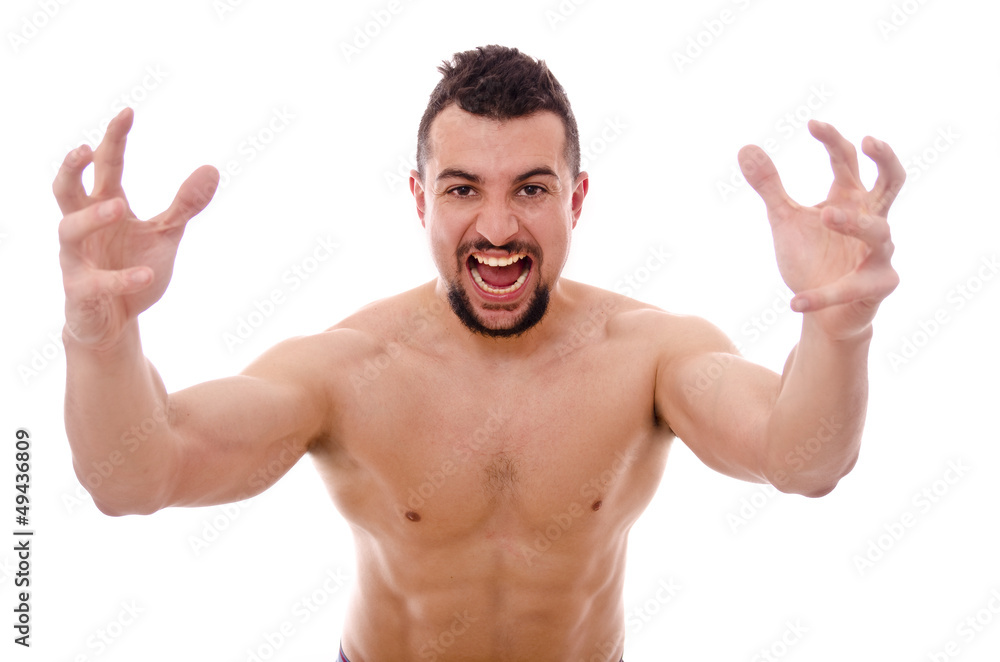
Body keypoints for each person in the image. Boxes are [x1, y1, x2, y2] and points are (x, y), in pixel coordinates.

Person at [55, 45, 903, 661]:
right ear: (420, 198)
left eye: (531, 189)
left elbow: (802, 461)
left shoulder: (651, 355)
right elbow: (134, 478)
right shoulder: (346, 370)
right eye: (463, 189)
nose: (497, 228)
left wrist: (841, 328)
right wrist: (102, 338)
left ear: (576, 199)